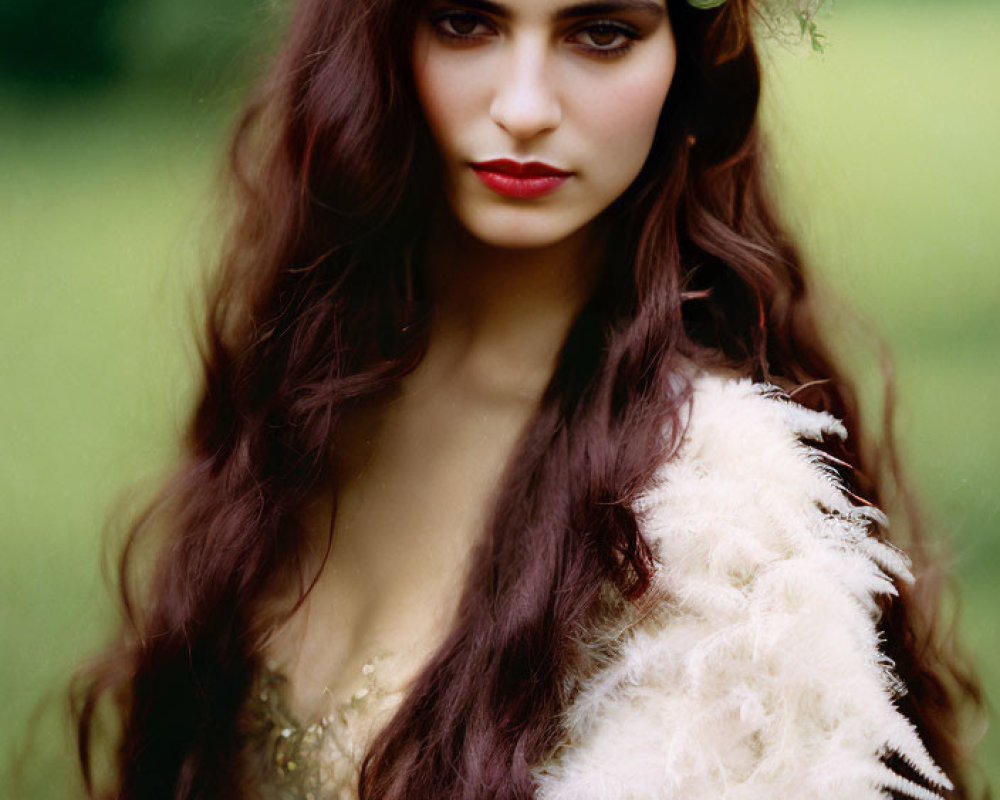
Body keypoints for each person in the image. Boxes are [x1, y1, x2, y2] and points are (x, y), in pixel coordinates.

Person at [71, 0, 982, 798]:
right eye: (466, 21)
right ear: (379, 40)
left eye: (601, 33)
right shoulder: (315, 389)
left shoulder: (721, 520)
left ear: (691, 68)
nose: (523, 107)